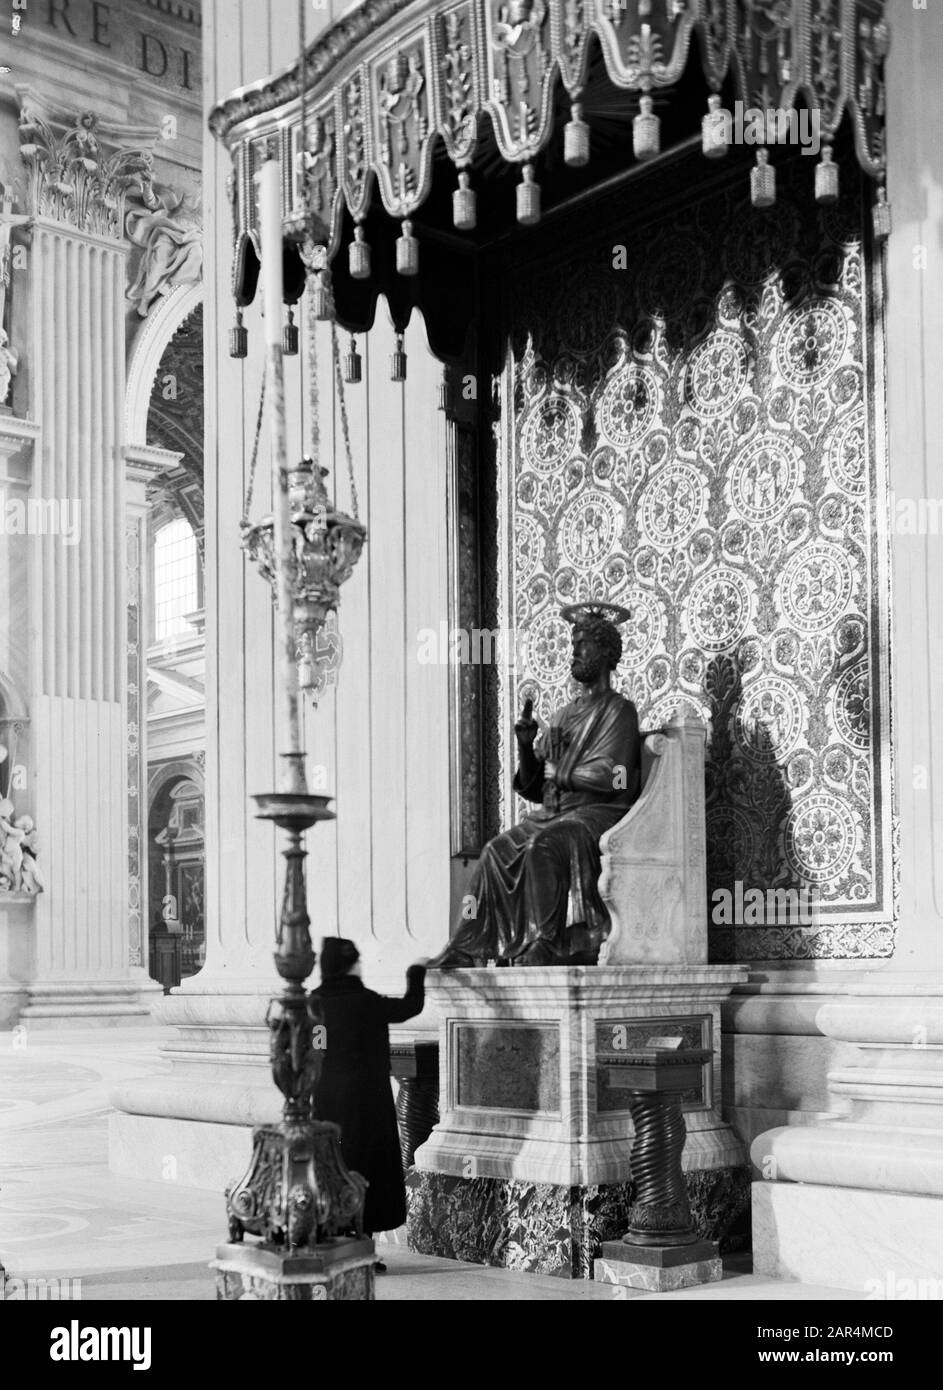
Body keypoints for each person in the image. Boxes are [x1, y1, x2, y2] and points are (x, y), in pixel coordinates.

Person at [430, 604, 641, 967]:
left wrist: (562, 773)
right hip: (555, 812)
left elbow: (615, 775)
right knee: (494, 851)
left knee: (544, 846)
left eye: (583, 643)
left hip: (598, 814)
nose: (574, 652)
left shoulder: (619, 710)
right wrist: (526, 746)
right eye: (573, 643)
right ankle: (466, 945)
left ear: (606, 652)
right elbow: (532, 787)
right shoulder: (563, 715)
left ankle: (543, 941)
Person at [309, 938, 426, 1267]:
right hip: (367, 1102)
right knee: (366, 1167)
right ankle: (362, 1247)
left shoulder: (312, 1002)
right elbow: (410, 1007)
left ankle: (332, 1243)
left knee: (333, 1166)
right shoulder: (366, 1001)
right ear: (351, 965)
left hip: (325, 1102)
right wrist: (417, 971)